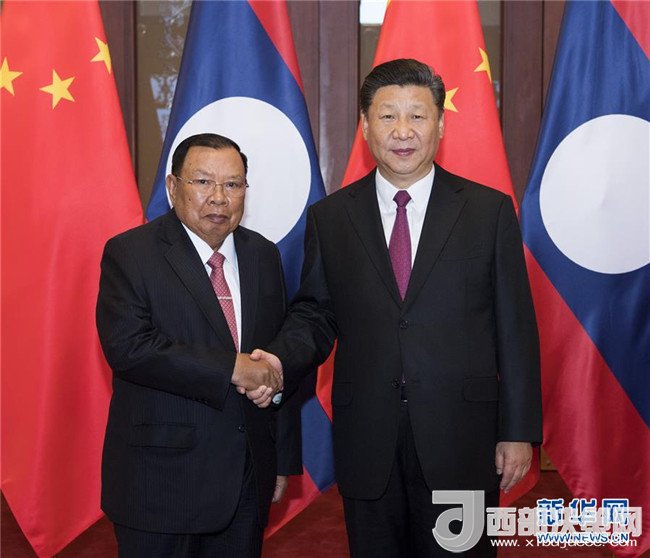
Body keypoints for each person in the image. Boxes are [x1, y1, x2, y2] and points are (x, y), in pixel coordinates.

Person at [249, 59, 542, 556]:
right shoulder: (332, 217)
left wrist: (518, 432)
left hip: (462, 440)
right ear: (365, 126)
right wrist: (278, 359)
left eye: (417, 116)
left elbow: (515, 328)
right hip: (369, 438)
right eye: (387, 116)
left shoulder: (488, 212)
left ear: (440, 125)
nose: (402, 131)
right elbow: (316, 314)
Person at [96, 133, 301, 557]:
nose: (219, 198)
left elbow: (274, 355)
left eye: (233, 184)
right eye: (203, 182)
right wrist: (231, 367)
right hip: (161, 481)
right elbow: (129, 348)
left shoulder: (263, 255)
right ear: (173, 187)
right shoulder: (131, 253)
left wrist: (280, 457)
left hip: (246, 477)